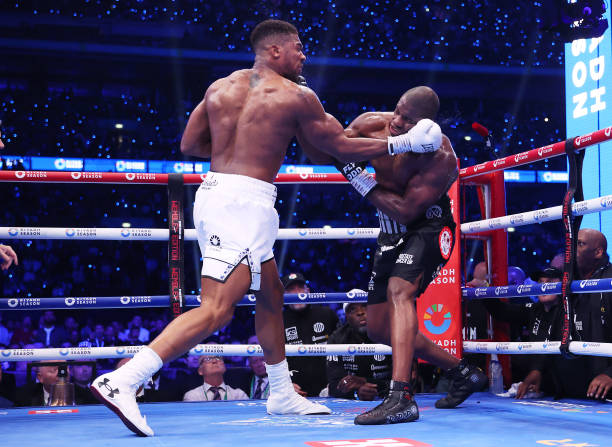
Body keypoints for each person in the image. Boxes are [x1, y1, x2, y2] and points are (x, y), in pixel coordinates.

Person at [90, 19, 439, 437]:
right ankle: (124, 378)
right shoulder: (296, 95)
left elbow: (188, 144)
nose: (304, 55)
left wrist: (236, 152)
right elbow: (339, 147)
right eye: (298, 48)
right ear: (276, 51)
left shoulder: (219, 87)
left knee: (271, 293)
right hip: (241, 205)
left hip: (222, 194)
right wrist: (402, 143)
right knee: (216, 308)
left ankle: (280, 392)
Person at [332, 86, 487, 424]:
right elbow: (333, 148)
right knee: (377, 329)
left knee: (400, 292)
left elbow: (405, 211)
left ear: (426, 124)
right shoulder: (373, 124)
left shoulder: (441, 157)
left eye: (408, 119)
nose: (398, 122)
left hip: (428, 228)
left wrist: (358, 178)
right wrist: (340, 154)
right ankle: (464, 372)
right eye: (398, 111)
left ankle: (400, 396)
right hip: (389, 235)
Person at [483, 267, 563, 397]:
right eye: (541, 283)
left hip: (564, 383)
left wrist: (537, 370)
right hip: (541, 384)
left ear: (561, 285)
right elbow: (502, 312)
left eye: (549, 282)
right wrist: (484, 289)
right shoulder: (534, 309)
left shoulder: (568, 312)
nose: (543, 287)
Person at [281, 272, 338, 397]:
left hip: (329, 388)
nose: (297, 293)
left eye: (300, 288)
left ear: (308, 291)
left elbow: (341, 348)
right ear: (284, 295)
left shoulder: (326, 314)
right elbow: (274, 357)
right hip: (296, 391)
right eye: (290, 289)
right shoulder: (279, 321)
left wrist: (337, 381)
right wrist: (285, 384)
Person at [326, 301, 392, 400]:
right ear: (347, 317)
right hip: (351, 403)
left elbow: (405, 382)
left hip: (388, 397)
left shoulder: (390, 333)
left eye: (365, 306)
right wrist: (356, 392)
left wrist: (364, 381)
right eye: (352, 309)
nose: (360, 312)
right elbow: (334, 385)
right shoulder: (337, 339)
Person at [183, 355, 248, 402]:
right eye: (208, 359)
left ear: (225, 367)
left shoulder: (238, 395)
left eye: (218, 358)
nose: (214, 361)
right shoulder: (192, 396)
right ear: (200, 371)